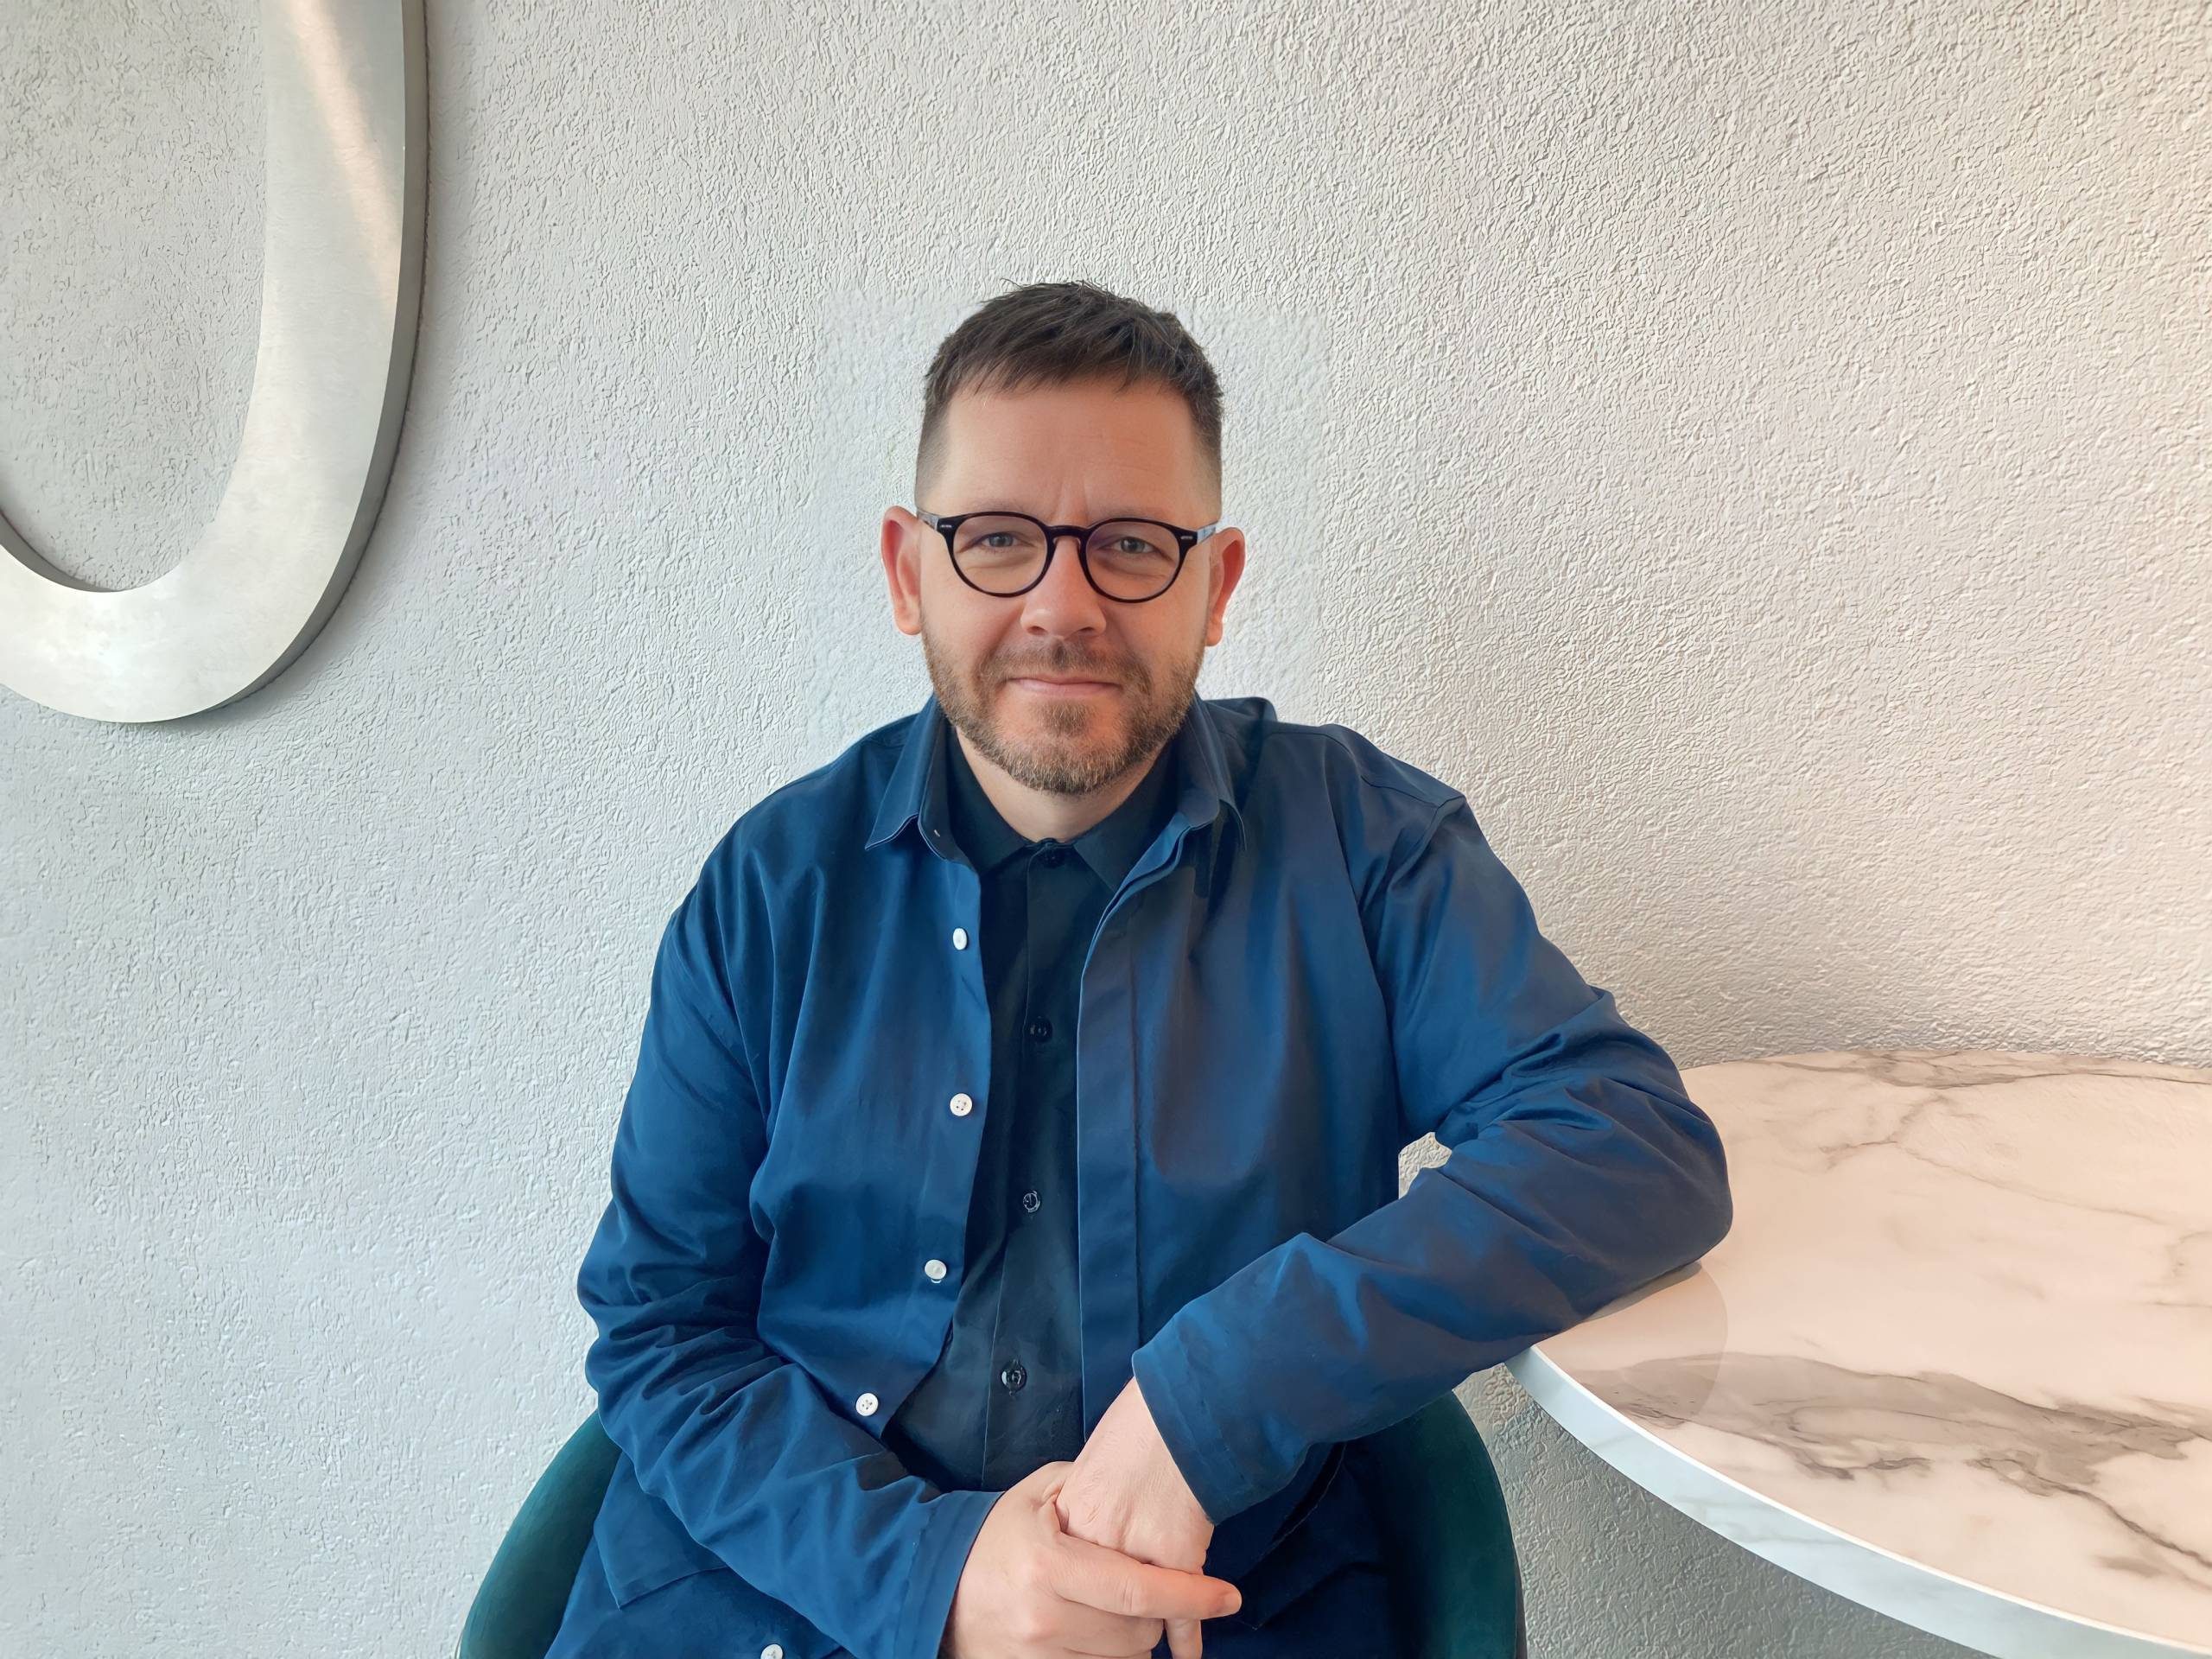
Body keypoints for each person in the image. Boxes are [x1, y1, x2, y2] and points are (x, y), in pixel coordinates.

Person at [544, 279, 1733, 1659]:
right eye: (995, 539)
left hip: (1222, 1608)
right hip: (784, 1596)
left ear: (1215, 587)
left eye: (1131, 545)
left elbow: (1633, 1147)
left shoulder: (1364, 844)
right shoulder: (770, 887)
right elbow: (660, 1332)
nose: (1064, 604)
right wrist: (930, 1574)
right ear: (905, 570)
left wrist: (1213, 1391)